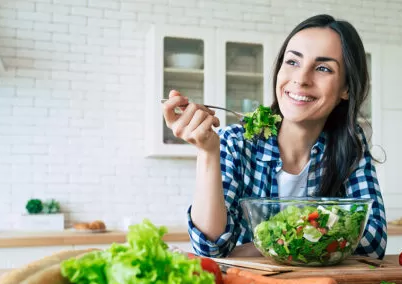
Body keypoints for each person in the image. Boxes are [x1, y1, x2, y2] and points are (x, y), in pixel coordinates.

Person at [162, 14, 387, 259]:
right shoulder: (236, 142)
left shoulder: (351, 146)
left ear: (346, 88)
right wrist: (207, 152)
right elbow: (211, 248)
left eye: (323, 68)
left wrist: (258, 247)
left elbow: (372, 242)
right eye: (292, 62)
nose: (301, 79)